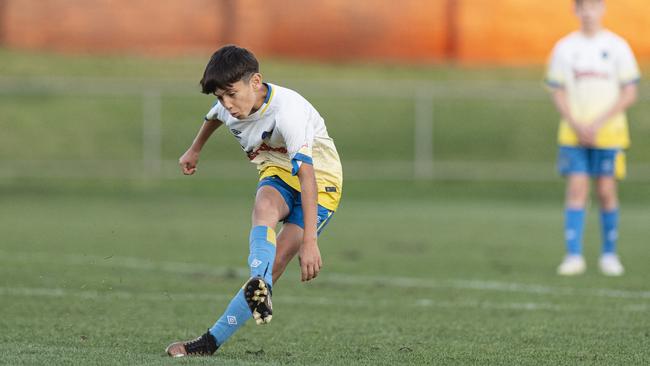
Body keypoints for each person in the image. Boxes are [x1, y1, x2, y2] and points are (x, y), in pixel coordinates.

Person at [165, 45, 343, 356]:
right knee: (264, 205)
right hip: (277, 171)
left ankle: (217, 333)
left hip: (321, 181)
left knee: (275, 265)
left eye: (232, 94)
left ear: (256, 81)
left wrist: (311, 242)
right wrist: (194, 150)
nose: (228, 104)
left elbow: (308, 178)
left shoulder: (288, 113)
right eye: (221, 97)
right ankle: (254, 289)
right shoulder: (228, 106)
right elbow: (212, 118)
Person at [546, 0, 640, 276]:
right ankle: (573, 255)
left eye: (593, 6)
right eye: (582, 7)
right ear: (575, 11)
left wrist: (598, 123)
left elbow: (630, 92)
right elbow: (557, 89)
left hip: (609, 135)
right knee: (577, 190)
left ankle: (609, 255)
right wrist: (576, 124)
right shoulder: (565, 48)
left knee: (606, 192)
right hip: (573, 134)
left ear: (603, 9)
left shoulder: (617, 47)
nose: (588, 12)